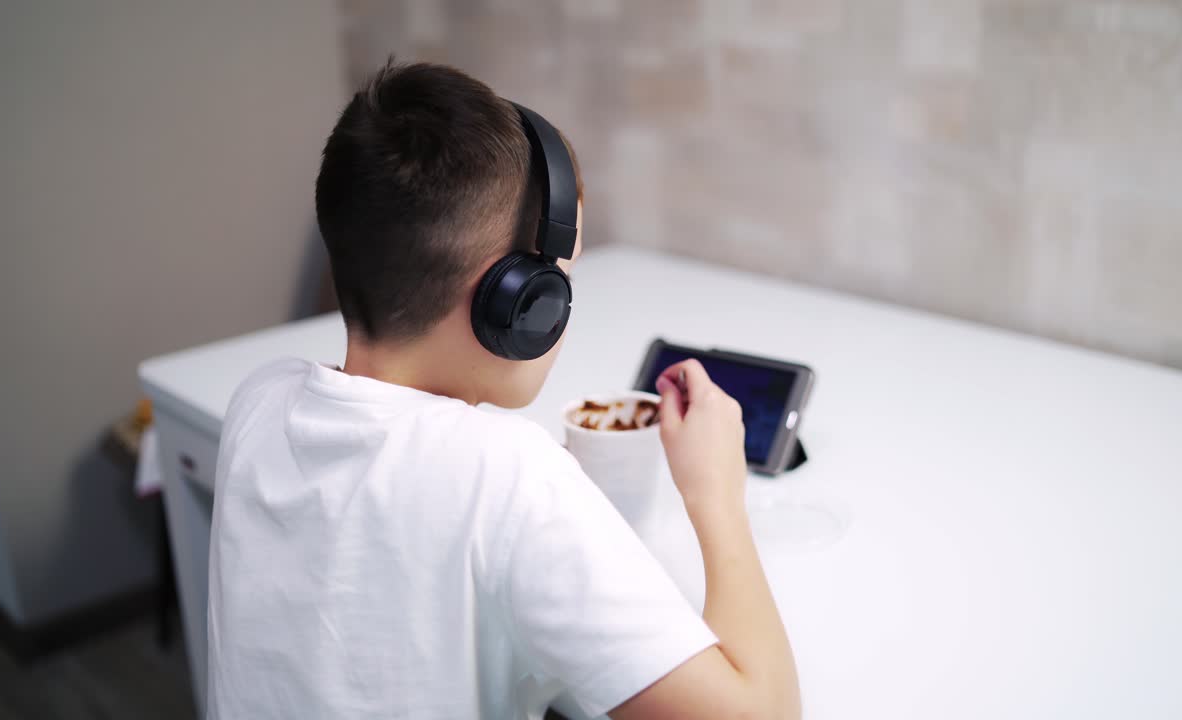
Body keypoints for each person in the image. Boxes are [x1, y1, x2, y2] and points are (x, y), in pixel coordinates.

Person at [206, 61, 800, 720]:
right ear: (519, 303)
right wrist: (717, 497)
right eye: (562, 282)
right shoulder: (506, 474)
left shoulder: (259, 399)